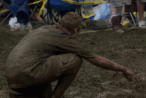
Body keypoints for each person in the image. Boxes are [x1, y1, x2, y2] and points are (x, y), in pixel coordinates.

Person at [5, 12, 134, 98]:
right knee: (75, 60)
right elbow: (95, 59)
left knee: (48, 61)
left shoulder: (45, 29)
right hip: (26, 73)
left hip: (12, 75)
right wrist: (122, 69)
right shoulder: (63, 38)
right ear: (76, 30)